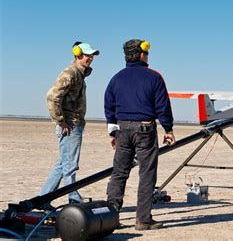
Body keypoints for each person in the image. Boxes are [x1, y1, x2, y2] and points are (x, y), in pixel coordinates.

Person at [104, 39, 176, 230]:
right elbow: (163, 106)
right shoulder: (154, 77)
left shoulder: (116, 78)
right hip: (145, 130)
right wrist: (168, 130)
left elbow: (108, 105)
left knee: (119, 173)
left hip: (121, 130)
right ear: (142, 54)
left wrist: (112, 131)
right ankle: (143, 219)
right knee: (147, 174)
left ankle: (112, 217)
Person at [39, 41, 100, 209]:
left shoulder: (79, 74)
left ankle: (43, 199)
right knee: (70, 166)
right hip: (70, 125)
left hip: (74, 124)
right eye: (88, 55)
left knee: (63, 164)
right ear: (77, 53)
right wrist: (60, 120)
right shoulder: (70, 72)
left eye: (92, 56)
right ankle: (73, 199)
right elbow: (52, 96)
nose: (90, 59)